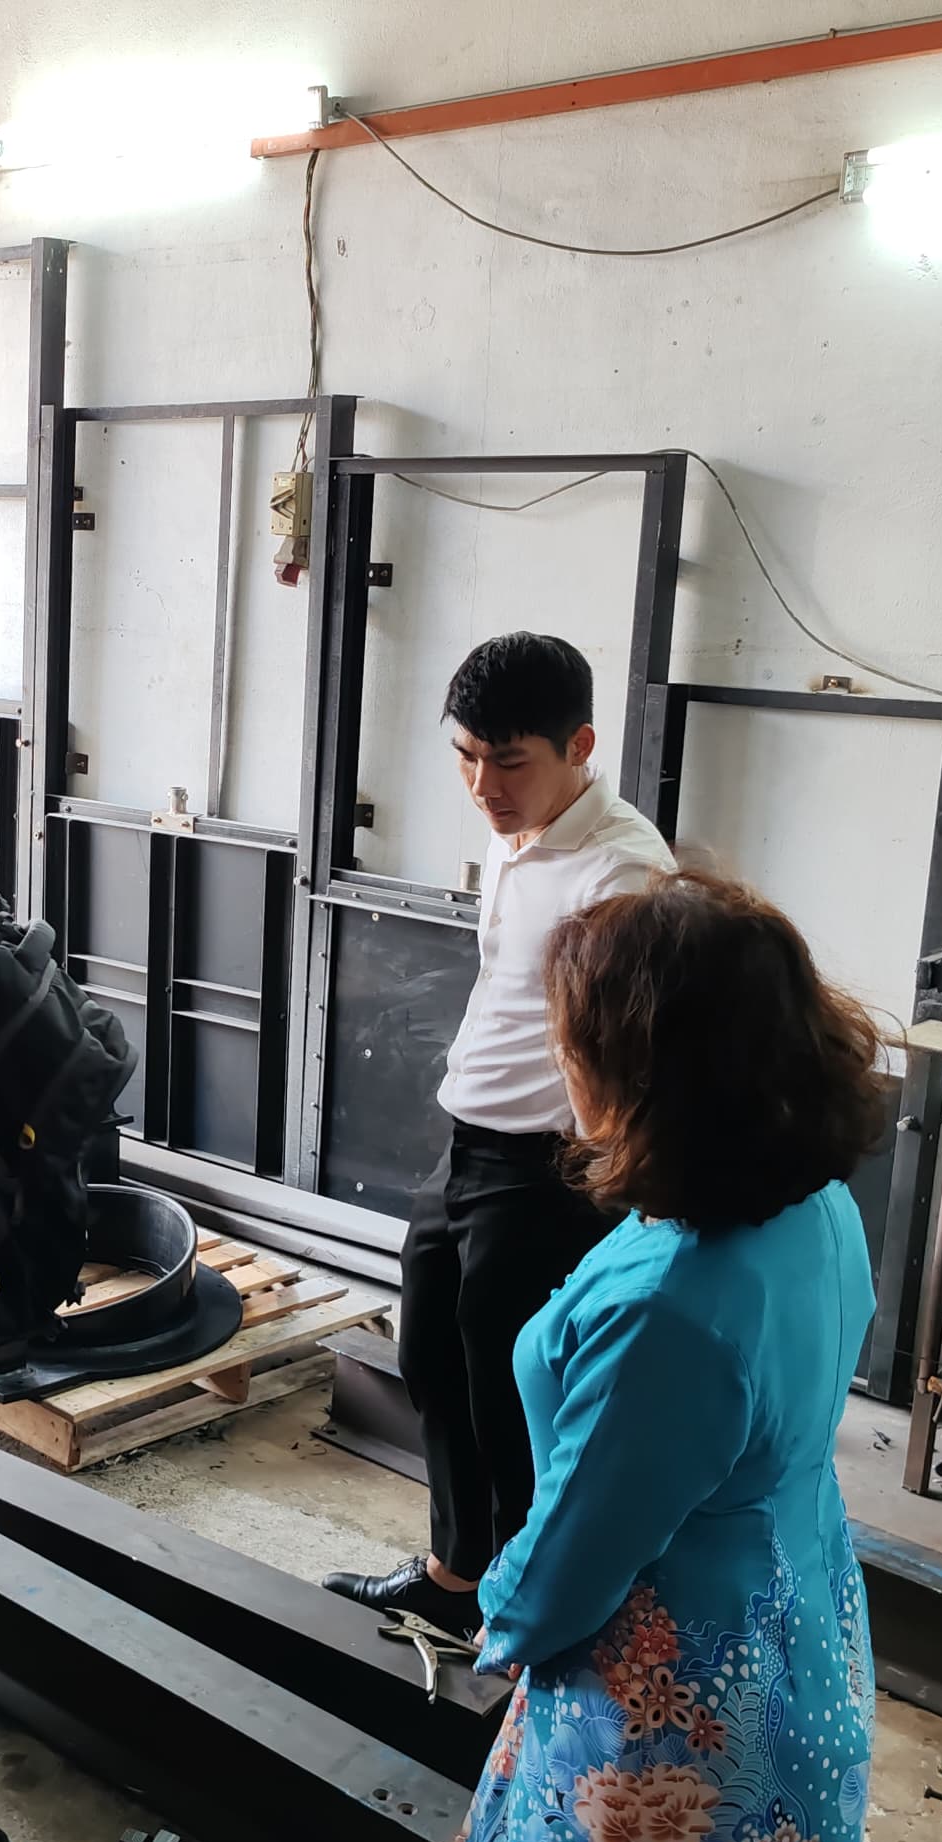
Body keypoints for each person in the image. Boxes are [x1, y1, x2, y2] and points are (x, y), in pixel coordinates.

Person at [427, 869, 880, 1842]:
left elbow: (577, 1557)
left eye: (572, 1043)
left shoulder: (666, 1314)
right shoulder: (811, 1204)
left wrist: (500, 1616)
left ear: (646, 1075)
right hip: (798, 1620)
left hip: (674, 1697)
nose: (560, 1058)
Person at [325, 631, 673, 1629]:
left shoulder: (622, 875)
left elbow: (619, 1063)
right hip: (469, 1143)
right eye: (467, 757)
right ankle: (459, 1578)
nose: (483, 786)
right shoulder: (514, 831)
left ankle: (527, 1620)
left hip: (547, 1170)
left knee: (515, 1397)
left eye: (509, 762)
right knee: (431, 1358)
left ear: (580, 747)